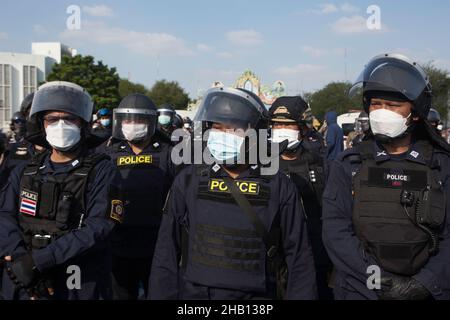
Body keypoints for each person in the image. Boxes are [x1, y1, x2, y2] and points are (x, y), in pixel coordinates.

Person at [150, 87, 317, 300]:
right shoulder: (189, 180)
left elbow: (299, 258)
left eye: (231, 129)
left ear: (254, 133)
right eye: (217, 127)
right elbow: (166, 254)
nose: (221, 135)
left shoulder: (278, 186)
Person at [323, 53, 450, 300]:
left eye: (392, 106)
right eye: (376, 104)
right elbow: (335, 231)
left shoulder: (441, 166)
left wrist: (422, 285)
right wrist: (382, 283)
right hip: (362, 291)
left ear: (414, 112)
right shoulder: (349, 164)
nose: (382, 112)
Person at [0, 81, 123, 300]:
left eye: (69, 118)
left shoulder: (102, 170)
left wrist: (40, 261)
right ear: (42, 124)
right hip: (22, 277)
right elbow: (5, 215)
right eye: (53, 119)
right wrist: (20, 259)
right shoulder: (25, 170)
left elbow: (99, 226)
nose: (61, 125)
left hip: (78, 281)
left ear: (83, 124)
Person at [105, 94, 175, 300]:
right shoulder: (109, 153)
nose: (132, 125)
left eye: (138, 120)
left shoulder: (168, 153)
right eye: (128, 120)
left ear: (150, 122)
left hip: (156, 244)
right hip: (118, 243)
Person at [269, 96, 333, 300]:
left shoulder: (322, 165)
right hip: (272, 263)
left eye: (287, 124)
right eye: (277, 124)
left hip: (314, 259)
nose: (281, 129)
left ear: (303, 128)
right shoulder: (259, 166)